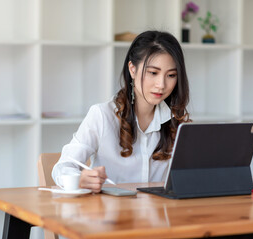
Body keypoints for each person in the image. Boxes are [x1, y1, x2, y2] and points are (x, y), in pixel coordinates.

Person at [52, 30, 191, 193]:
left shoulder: (176, 121)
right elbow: (63, 167)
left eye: (171, 75)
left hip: (158, 215)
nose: (161, 84)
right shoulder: (102, 115)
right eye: (153, 73)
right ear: (132, 69)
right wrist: (79, 179)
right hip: (109, 215)